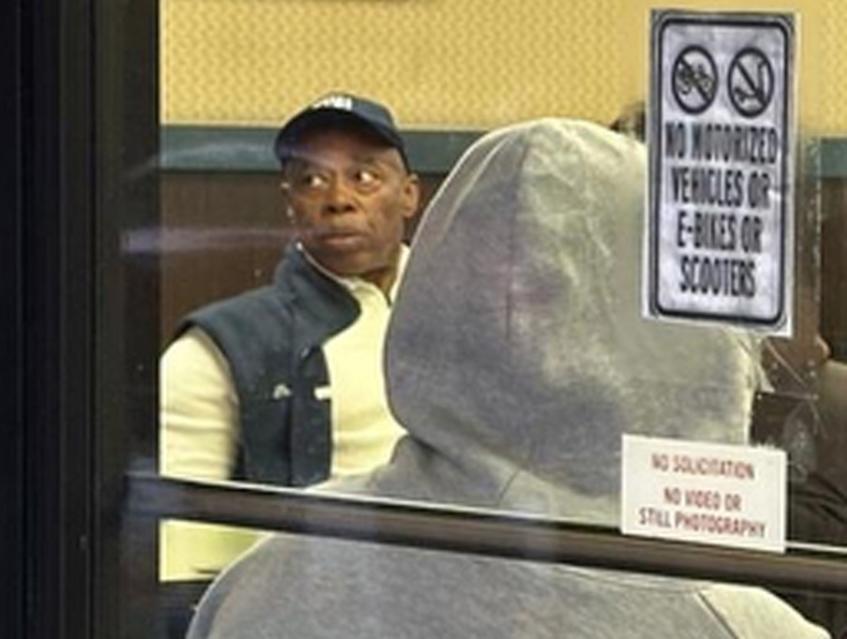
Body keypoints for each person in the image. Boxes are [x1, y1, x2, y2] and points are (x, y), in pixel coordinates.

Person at [185, 119, 829, 638]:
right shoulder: (737, 624)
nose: (339, 197)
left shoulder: (267, 579)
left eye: (364, 174)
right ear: (684, 326)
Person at [159, 92, 421, 579]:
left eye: (365, 176)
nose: (339, 199)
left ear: (409, 194)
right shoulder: (221, 346)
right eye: (312, 180)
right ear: (289, 204)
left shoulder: (477, 324)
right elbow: (176, 546)